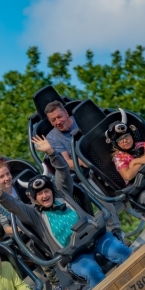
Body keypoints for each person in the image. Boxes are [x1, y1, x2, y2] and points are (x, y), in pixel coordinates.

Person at [0, 137, 132, 288]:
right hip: (74, 255)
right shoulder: (34, 215)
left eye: (46, 191)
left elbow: (62, 172)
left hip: (95, 237)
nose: (45, 196)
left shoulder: (62, 194)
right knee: (91, 270)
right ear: (34, 199)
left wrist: (51, 152)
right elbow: (14, 206)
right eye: (40, 194)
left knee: (119, 250)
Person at [0, 159, 69, 290]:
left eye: (8, 174)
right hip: (23, 231)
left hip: (39, 220)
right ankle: (56, 285)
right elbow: (5, 227)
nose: (6, 178)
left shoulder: (21, 186)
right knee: (33, 246)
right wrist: (19, 227)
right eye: (2, 177)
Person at [42, 100, 123, 238]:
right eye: (53, 120)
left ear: (66, 113)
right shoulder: (52, 137)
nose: (58, 122)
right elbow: (66, 162)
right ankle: (115, 229)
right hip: (84, 172)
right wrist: (85, 162)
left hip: (106, 157)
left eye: (59, 117)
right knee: (91, 185)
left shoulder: (81, 119)